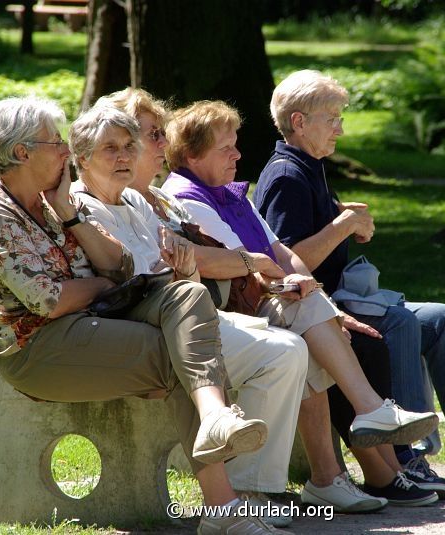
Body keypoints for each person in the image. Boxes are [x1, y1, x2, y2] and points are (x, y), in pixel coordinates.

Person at [0, 96, 288, 535]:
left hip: (95, 323)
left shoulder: (55, 202)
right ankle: (224, 509)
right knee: (177, 352)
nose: (64, 151)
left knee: (187, 293)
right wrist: (102, 285)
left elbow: (120, 265)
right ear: (22, 152)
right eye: (56, 142)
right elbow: (49, 301)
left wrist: (72, 217)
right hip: (38, 349)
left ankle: (214, 419)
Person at [254, 69, 445, 493]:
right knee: (401, 322)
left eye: (340, 117)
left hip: (343, 296)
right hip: (317, 306)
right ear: (299, 122)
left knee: (441, 317)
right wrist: (344, 225)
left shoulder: (310, 166)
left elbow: (319, 231)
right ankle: (407, 455)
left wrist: (345, 220)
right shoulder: (285, 176)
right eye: (331, 118)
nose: (340, 128)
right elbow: (290, 264)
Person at [161, 99, 443, 510]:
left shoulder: (231, 193)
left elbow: (277, 250)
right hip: (231, 311)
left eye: (236, 144)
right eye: (227, 148)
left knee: (321, 329)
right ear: (192, 155)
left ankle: (339, 470)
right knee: (321, 332)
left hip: (270, 300)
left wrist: (306, 283)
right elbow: (245, 268)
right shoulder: (189, 198)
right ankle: (361, 446)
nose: (238, 154)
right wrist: (300, 288)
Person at [67, 102, 311, 528]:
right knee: (280, 349)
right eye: (111, 149)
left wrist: (185, 268)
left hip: (181, 313)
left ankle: (251, 488)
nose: (125, 156)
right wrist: (187, 274)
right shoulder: (79, 207)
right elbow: (120, 278)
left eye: (129, 146)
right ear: (82, 157)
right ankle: (232, 492)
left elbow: (179, 274)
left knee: (287, 350)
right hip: (138, 328)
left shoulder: (136, 202)